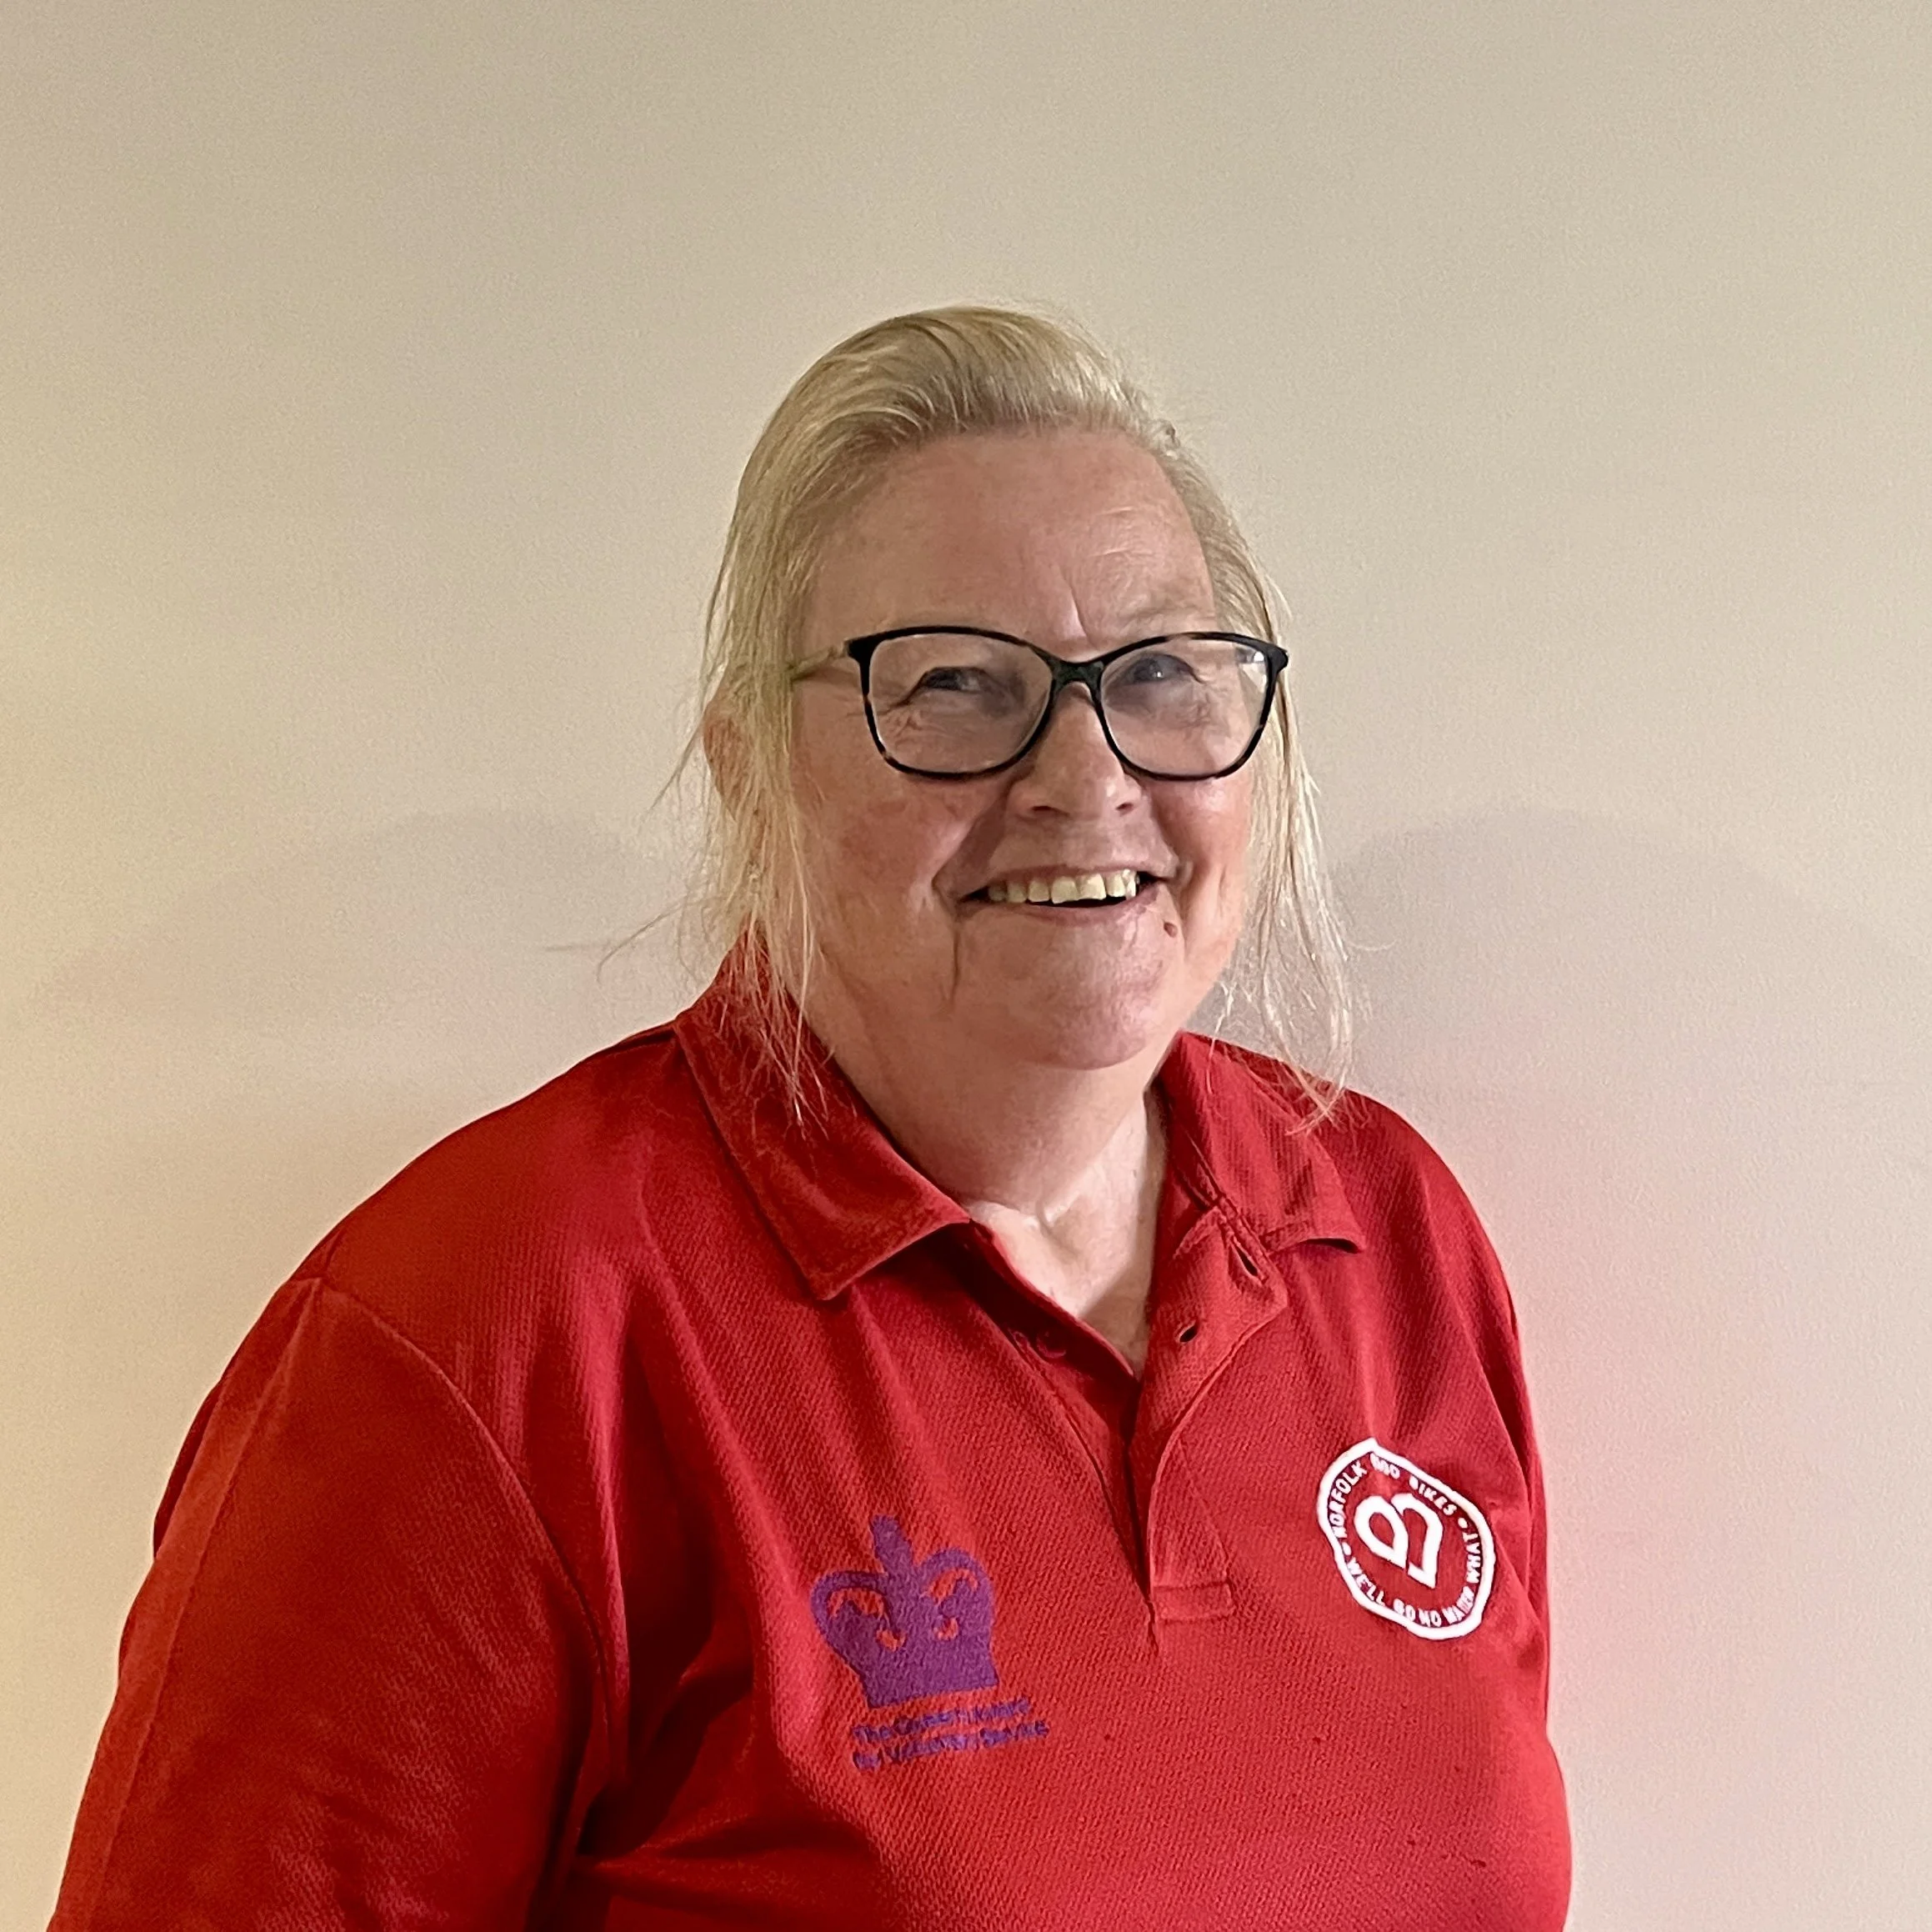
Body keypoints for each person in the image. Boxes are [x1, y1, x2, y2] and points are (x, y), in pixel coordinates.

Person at [52, 306, 1570, 1929]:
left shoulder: (1385, 1225)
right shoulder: (476, 1332)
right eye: (954, 688)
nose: (1082, 772)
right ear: (746, 766)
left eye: (1160, 676)